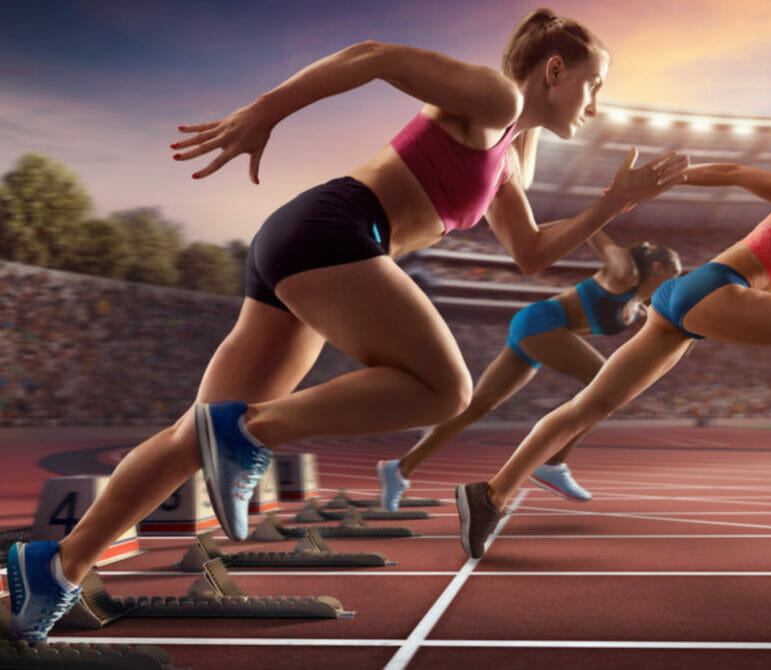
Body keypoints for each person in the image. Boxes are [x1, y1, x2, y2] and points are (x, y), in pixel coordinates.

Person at [5, 8, 691, 643]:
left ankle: (54, 571)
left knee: (193, 434)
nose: (595, 105)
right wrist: (265, 112)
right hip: (334, 230)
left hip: (310, 245)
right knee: (444, 390)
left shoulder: (514, 152)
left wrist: (613, 202)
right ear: (553, 71)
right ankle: (247, 432)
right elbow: (374, 55)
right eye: (592, 85)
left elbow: (532, 253)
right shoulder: (497, 99)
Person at [455, 151, 771, 558]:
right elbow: (739, 172)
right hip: (714, 289)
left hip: (680, 301)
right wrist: (653, 185)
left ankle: (490, 495)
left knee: (587, 407)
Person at [377, 232, 682, 510]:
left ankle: (400, 468)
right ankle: (552, 464)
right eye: (675, 274)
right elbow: (596, 236)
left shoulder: (639, 309)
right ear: (657, 267)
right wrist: (554, 229)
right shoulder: (623, 273)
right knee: (605, 384)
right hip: (542, 322)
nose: (677, 282)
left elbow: (666, 337)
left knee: (478, 406)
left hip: (538, 330)